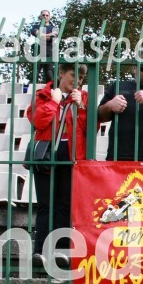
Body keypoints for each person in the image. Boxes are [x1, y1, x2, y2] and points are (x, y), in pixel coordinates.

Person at [27, 63, 89, 268]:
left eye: (80, 78)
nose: (77, 81)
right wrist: (54, 102)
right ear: (61, 73)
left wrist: (81, 107)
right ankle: (40, 252)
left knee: (65, 205)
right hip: (47, 154)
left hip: (71, 155)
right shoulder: (43, 95)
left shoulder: (82, 98)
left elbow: (91, 128)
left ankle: (62, 251)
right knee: (46, 204)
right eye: (73, 75)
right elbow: (38, 121)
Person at [30, 10, 57, 83]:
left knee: (49, 73)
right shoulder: (36, 26)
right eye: (43, 15)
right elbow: (36, 34)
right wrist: (49, 34)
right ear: (41, 16)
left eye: (47, 15)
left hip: (49, 51)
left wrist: (41, 35)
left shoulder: (53, 28)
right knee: (35, 73)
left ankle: (50, 90)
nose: (45, 16)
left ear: (49, 17)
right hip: (38, 50)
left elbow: (50, 38)